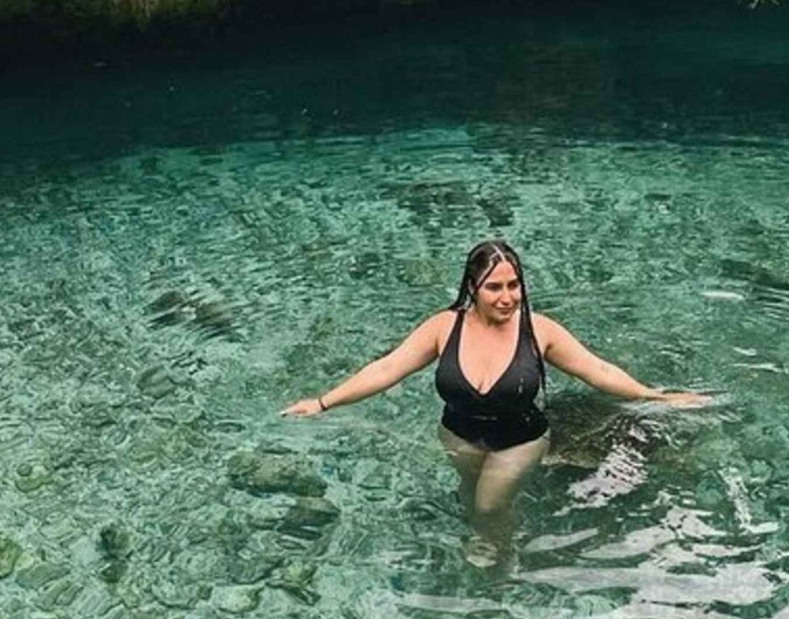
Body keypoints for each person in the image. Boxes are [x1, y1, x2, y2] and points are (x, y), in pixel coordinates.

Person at [281, 239, 708, 562]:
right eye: (494, 287)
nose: (507, 297)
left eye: (514, 285)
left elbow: (597, 370)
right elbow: (387, 368)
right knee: (471, 499)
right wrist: (323, 403)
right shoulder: (444, 327)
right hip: (458, 436)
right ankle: (490, 537)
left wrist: (654, 396)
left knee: (489, 505)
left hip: (520, 441)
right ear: (473, 288)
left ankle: (504, 558)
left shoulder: (539, 331)